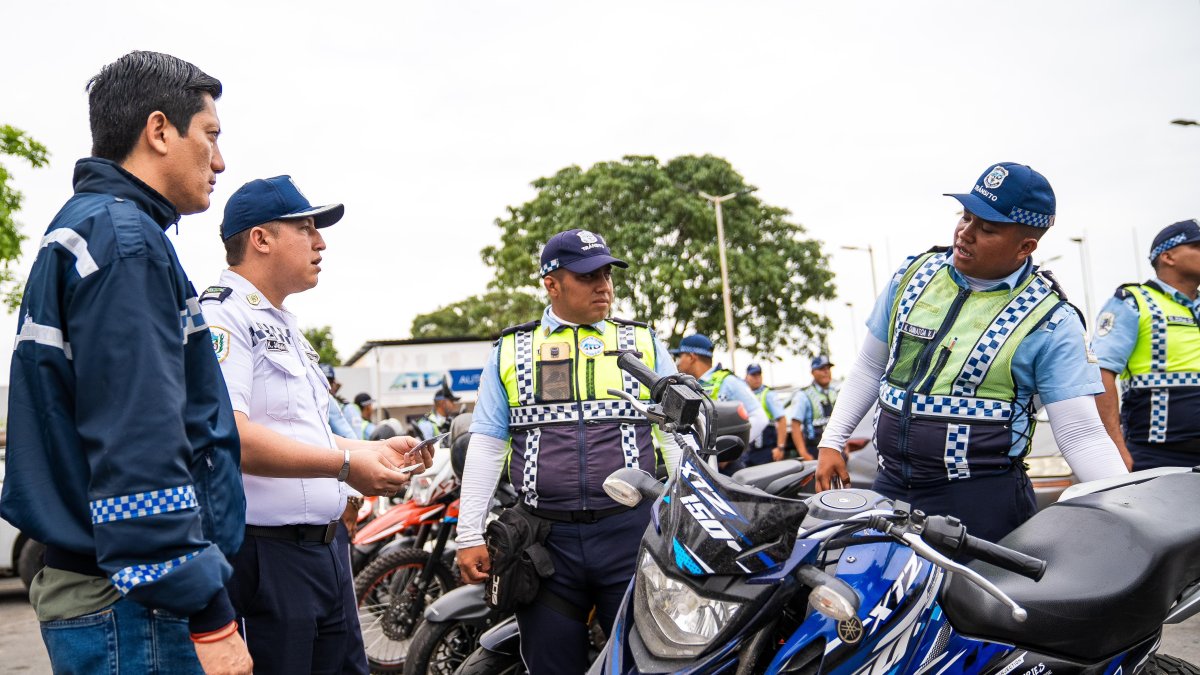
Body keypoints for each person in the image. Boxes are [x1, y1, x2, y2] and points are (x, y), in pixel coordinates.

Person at [0, 51, 252, 674]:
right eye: (211, 136)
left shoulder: (88, 231)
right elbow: (138, 442)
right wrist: (211, 612)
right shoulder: (126, 241)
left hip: (114, 596)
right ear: (160, 130)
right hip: (135, 605)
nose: (219, 161)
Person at [815, 162, 1128, 542]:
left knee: (978, 602)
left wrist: (1128, 514)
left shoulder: (1052, 320)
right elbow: (869, 367)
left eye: (988, 228)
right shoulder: (912, 277)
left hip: (981, 505)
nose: (966, 233)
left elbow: (1081, 433)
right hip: (892, 490)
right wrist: (832, 440)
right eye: (966, 217)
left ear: (1025, 247)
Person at [202, 176, 433, 673]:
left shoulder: (283, 324)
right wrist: (347, 464)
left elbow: (302, 434)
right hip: (267, 558)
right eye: (306, 228)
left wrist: (371, 450)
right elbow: (231, 436)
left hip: (326, 552)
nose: (320, 241)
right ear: (261, 238)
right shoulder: (223, 317)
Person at [454, 228, 681, 674]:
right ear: (551, 283)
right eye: (587, 275)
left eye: (607, 274)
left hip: (631, 537)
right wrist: (468, 534)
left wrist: (689, 521)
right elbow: (486, 442)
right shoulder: (511, 349)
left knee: (644, 665)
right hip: (545, 545)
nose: (604, 286)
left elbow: (677, 435)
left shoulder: (644, 342)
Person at [1091, 219, 1200, 470]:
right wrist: (1115, 445)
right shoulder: (1132, 302)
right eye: (1197, 246)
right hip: (1157, 457)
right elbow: (1100, 372)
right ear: (1168, 256)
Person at [672, 334, 770, 461]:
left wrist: (731, 451)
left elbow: (760, 417)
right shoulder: (692, 385)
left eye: (680, 356)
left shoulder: (729, 382)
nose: (678, 362)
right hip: (704, 460)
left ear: (691, 357)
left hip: (725, 464)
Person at [785, 355, 841, 461]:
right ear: (813, 372)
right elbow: (795, 425)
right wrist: (804, 453)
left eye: (828, 368)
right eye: (821, 369)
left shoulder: (835, 392)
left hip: (836, 448)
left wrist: (846, 447)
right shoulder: (804, 395)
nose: (826, 372)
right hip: (815, 451)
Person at [743, 363, 788, 466]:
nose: (757, 378)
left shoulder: (768, 394)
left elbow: (782, 419)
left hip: (765, 451)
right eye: (753, 375)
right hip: (747, 452)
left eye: (759, 375)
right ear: (746, 377)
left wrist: (780, 447)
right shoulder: (744, 394)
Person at [321, 364, 357, 440]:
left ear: (334, 383)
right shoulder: (325, 400)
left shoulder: (344, 406)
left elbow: (351, 437)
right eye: (322, 381)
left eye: (329, 381)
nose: (326, 385)